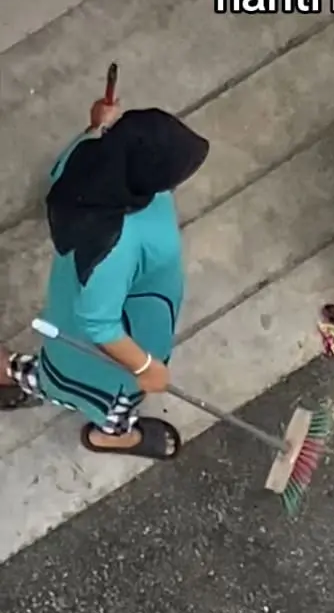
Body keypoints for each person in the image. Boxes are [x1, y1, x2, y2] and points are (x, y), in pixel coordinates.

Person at [0, 99, 209, 460]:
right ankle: (111, 436)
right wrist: (144, 366)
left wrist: (97, 127)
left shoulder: (90, 159)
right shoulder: (115, 248)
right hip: (101, 353)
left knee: (68, 371)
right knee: (110, 398)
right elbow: (99, 325)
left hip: (81, 299)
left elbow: (62, 168)